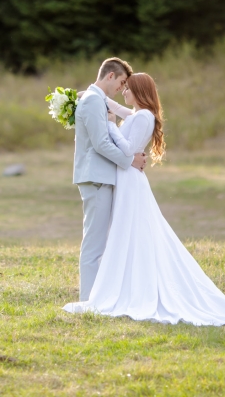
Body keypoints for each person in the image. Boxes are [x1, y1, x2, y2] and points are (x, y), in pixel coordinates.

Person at [65, 73, 225, 326]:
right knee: (126, 231)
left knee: (133, 231)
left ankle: (131, 287)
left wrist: (110, 126)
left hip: (129, 178)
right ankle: (122, 283)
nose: (123, 92)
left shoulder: (143, 116)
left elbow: (128, 148)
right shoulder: (138, 114)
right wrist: (91, 96)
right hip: (125, 176)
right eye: (123, 87)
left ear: (139, 91)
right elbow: (119, 109)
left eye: (128, 88)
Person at [73, 57, 148, 302]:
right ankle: (88, 302)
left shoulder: (96, 99)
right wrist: (131, 160)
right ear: (110, 76)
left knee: (100, 243)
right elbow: (101, 143)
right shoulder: (93, 100)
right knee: (94, 244)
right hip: (96, 178)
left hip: (100, 177)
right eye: (122, 82)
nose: (122, 88)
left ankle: (97, 298)